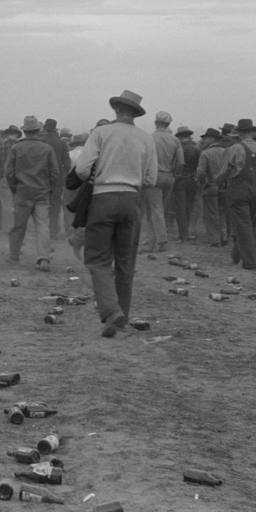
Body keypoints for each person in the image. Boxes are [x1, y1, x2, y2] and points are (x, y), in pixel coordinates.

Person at [74, 90, 157, 338]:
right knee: (126, 261)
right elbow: (151, 178)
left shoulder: (101, 133)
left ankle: (111, 310)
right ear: (135, 113)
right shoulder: (145, 138)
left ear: (116, 110)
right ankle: (122, 315)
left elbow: (81, 170)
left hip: (102, 198)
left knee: (98, 259)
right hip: (132, 199)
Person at [215, 119, 256, 270]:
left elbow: (222, 172)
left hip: (239, 190)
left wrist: (220, 184)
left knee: (244, 225)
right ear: (253, 133)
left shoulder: (235, 149)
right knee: (248, 225)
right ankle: (236, 255)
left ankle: (250, 263)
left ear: (240, 134)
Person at [5, 116, 59, 271]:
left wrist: (15, 188)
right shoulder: (47, 148)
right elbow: (55, 173)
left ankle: (14, 256)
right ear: (38, 130)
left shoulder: (16, 148)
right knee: (43, 226)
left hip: (22, 193)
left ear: (24, 131)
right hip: (42, 193)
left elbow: (9, 172)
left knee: (18, 226)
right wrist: (50, 189)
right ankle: (43, 259)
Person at [139, 111, 183, 253]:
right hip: (169, 177)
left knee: (154, 209)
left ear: (156, 123)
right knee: (160, 210)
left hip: (154, 177)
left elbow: (143, 159)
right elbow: (181, 162)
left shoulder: (149, 138)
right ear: (168, 124)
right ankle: (152, 242)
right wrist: (175, 174)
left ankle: (162, 241)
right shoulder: (175, 140)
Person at [195, 127, 227, 247]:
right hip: (224, 186)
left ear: (212, 139)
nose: (204, 140)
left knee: (211, 214)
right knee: (222, 212)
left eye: (206, 138)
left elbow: (201, 172)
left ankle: (214, 239)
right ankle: (223, 236)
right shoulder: (226, 151)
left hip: (210, 186)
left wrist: (202, 183)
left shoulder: (206, 153)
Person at [170, 126, 201, 243]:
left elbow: (174, 164)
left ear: (179, 137)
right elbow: (200, 166)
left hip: (180, 181)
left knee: (180, 208)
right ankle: (186, 231)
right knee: (189, 207)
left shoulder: (177, 149)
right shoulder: (196, 149)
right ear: (189, 136)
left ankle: (183, 234)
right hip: (192, 181)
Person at [42, 118, 71, 240]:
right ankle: (53, 231)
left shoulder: (41, 141)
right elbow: (67, 164)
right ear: (55, 129)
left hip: (41, 178)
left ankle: (42, 231)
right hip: (57, 179)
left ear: (44, 128)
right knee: (55, 206)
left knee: (41, 205)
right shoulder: (62, 143)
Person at [65, 132, 90, 260]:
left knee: (71, 210)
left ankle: (72, 232)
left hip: (73, 184)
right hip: (86, 186)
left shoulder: (70, 154)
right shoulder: (89, 154)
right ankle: (77, 236)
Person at [0, 125, 20, 235]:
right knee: (18, 203)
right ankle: (17, 226)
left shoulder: (0, 147)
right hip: (18, 177)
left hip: (4, 177)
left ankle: (7, 227)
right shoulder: (20, 147)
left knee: (6, 204)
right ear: (16, 135)